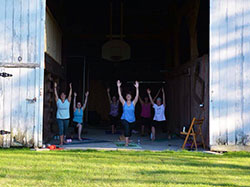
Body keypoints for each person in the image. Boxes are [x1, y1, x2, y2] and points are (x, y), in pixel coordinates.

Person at [117, 80, 139, 146]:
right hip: (124, 119)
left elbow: (137, 96)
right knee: (127, 128)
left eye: (129, 95)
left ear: (131, 97)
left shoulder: (133, 103)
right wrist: (118, 87)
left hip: (132, 120)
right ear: (126, 97)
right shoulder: (124, 103)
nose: (128, 96)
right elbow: (120, 95)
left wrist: (137, 88)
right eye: (127, 95)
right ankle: (126, 143)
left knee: (129, 131)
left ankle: (124, 138)